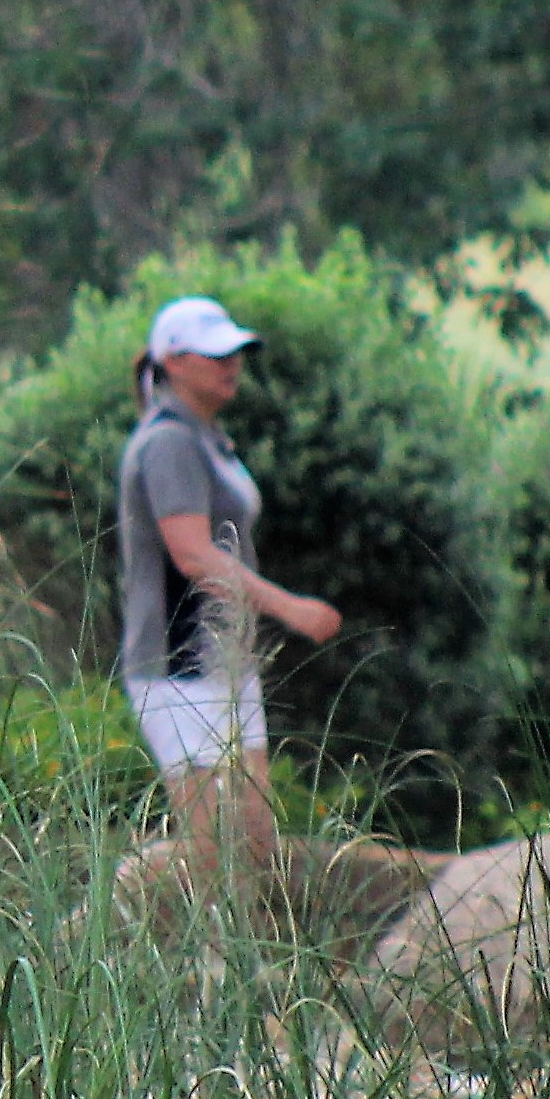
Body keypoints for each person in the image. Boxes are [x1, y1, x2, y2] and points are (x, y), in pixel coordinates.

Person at [117, 296, 343, 880]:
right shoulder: (167, 442)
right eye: (217, 355)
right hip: (177, 667)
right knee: (213, 845)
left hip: (224, 663)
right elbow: (193, 554)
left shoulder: (207, 439)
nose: (232, 365)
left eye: (237, 353)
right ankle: (163, 932)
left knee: (255, 837)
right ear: (174, 361)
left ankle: (242, 961)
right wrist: (290, 608)